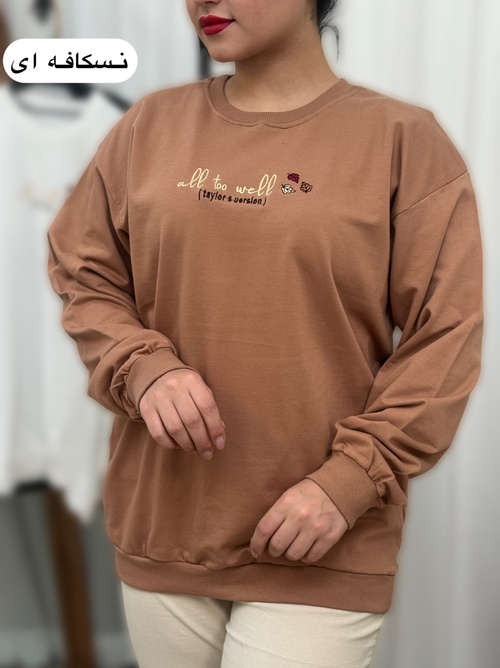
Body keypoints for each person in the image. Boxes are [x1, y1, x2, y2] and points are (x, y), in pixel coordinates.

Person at [46, 0, 484, 666]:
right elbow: (84, 271)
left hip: (324, 535)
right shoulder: (148, 126)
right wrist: (144, 367)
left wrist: (352, 479)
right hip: (167, 529)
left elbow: (447, 334)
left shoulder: (403, 140)